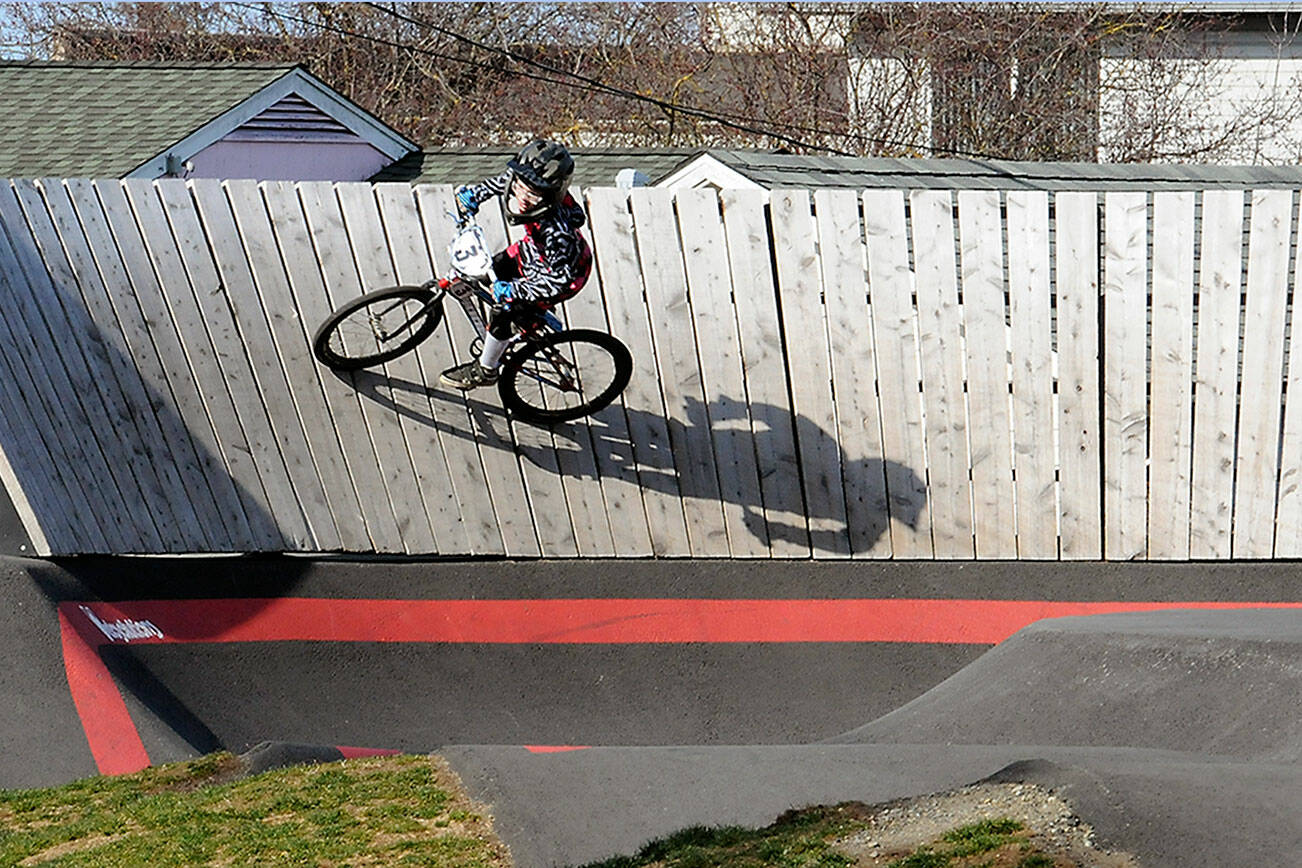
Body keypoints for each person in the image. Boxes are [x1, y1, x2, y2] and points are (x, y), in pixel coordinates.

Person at [440, 139, 593, 390]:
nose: (522, 196)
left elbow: (559, 280)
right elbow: (505, 181)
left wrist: (514, 290)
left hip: (560, 275)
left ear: (551, 194)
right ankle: (523, 320)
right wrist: (474, 197)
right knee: (491, 269)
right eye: (521, 187)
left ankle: (486, 370)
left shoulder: (557, 231)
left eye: (533, 194)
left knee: (503, 312)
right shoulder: (525, 180)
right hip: (530, 253)